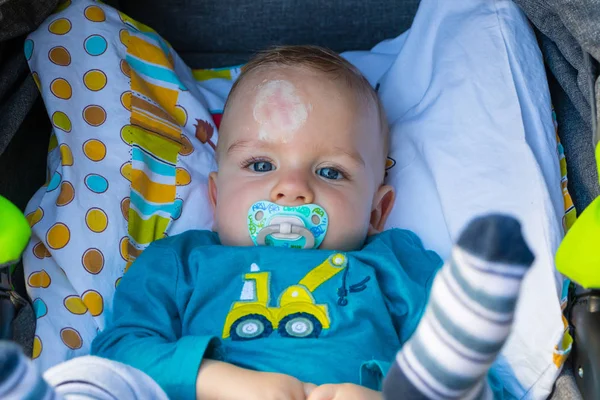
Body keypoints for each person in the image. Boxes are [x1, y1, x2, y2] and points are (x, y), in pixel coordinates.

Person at [0, 45, 534, 400]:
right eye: (261, 165)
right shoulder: (182, 261)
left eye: (329, 171)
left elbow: (474, 373)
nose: (292, 187)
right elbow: (123, 346)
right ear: (216, 193)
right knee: (98, 377)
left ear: (376, 210)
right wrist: (215, 380)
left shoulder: (394, 262)